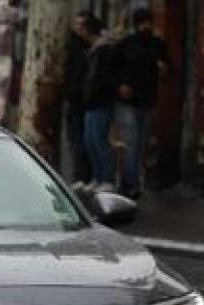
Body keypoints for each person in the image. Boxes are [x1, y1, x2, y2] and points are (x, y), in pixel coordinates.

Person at [114, 8, 169, 199]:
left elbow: (167, 67)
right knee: (131, 141)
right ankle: (131, 183)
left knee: (139, 143)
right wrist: (120, 85)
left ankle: (131, 180)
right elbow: (113, 69)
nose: (146, 27)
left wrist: (163, 68)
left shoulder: (157, 45)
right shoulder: (125, 45)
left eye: (148, 22)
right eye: (142, 23)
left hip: (147, 101)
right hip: (127, 101)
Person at [80, 23, 121, 193]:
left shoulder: (105, 51)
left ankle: (108, 179)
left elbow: (103, 78)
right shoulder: (95, 52)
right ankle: (98, 178)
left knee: (99, 141)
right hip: (92, 102)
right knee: (90, 141)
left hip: (101, 102)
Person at [64, 13, 103, 186]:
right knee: (79, 140)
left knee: (83, 141)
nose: (77, 29)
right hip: (78, 101)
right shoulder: (78, 48)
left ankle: (84, 176)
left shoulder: (89, 50)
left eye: (80, 25)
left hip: (83, 102)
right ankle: (82, 176)